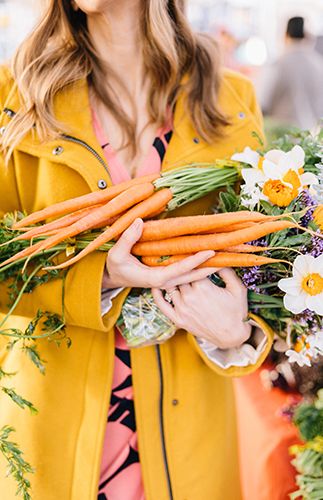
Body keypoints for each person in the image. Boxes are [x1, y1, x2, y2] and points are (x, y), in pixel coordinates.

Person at [0, 1, 272, 499]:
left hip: (190, 444)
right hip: (51, 436)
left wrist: (237, 333)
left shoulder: (232, 98)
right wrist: (99, 276)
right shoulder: (15, 95)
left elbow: (269, 269)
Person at [261, 16, 323, 129]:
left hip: (281, 137)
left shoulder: (278, 64)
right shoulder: (318, 65)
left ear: (286, 35)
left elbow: (263, 101)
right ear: (307, 35)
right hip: (311, 136)